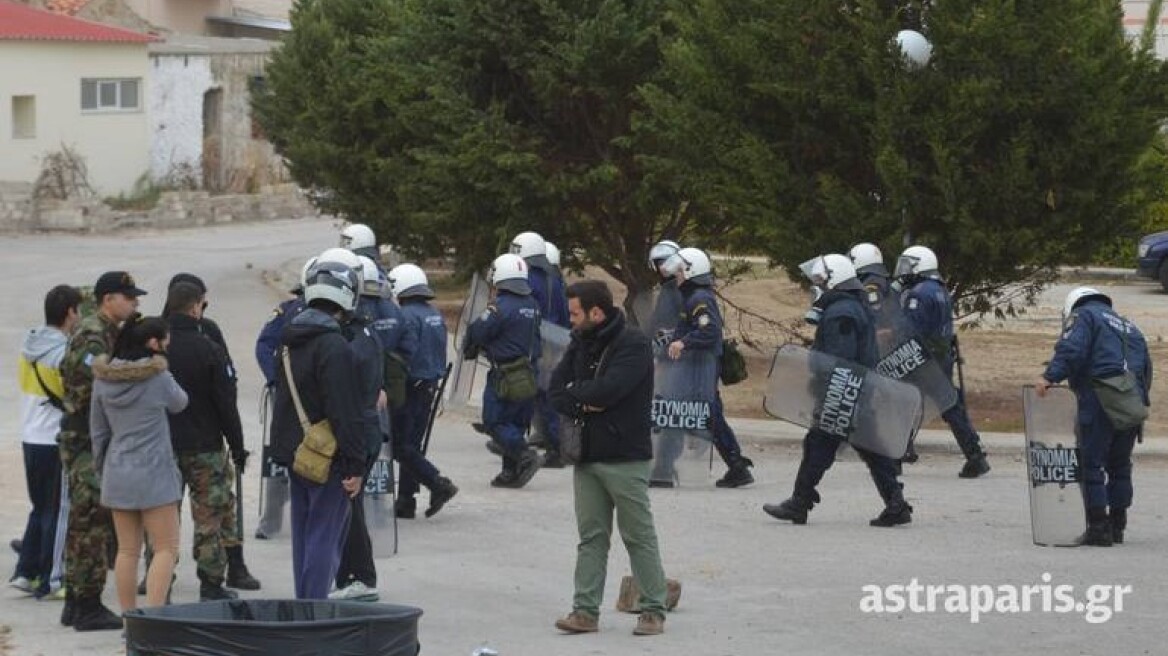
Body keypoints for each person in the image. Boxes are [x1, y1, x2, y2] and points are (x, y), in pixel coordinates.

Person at [549, 280, 668, 636]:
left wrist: (581, 395)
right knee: (591, 538)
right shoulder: (579, 342)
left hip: (624, 457)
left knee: (638, 535)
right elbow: (556, 391)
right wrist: (585, 399)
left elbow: (612, 389)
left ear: (596, 312)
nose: (570, 320)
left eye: (574, 313)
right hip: (586, 456)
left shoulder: (633, 344)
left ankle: (653, 610)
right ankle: (584, 611)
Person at [763, 255, 912, 527]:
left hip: (843, 393)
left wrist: (820, 379)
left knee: (819, 446)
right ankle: (896, 503)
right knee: (870, 450)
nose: (817, 286)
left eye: (820, 280)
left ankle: (800, 503)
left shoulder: (841, 311)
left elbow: (837, 359)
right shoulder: (851, 305)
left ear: (834, 281)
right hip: (856, 392)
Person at [269, 260, 367, 599]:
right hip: (329, 456)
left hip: (298, 455)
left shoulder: (288, 341)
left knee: (304, 535)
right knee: (325, 537)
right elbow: (345, 410)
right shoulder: (334, 346)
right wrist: (355, 464)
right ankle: (314, 612)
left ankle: (303, 605)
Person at [58, 271, 145, 631]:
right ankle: (88, 603)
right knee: (92, 523)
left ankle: (77, 601)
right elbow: (101, 385)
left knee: (83, 523)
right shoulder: (94, 334)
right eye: (129, 297)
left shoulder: (104, 330)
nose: (135, 302)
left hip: (86, 439)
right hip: (86, 441)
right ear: (108, 299)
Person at [163, 282, 259, 600]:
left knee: (163, 516)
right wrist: (238, 445)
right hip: (205, 446)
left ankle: (158, 579)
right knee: (209, 518)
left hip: (164, 446)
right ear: (195, 307)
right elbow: (225, 402)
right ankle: (211, 583)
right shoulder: (209, 348)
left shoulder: (156, 344)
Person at [1036, 287, 1152, 546]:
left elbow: (1072, 349)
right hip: (1132, 401)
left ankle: (1098, 527)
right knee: (1120, 464)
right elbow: (1146, 370)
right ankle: (1118, 525)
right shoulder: (1129, 326)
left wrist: (1049, 376)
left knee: (1090, 462)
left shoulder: (1084, 316)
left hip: (1098, 397)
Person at [89, 315, 188, 615]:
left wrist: (102, 468)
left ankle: (129, 618)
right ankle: (154, 619)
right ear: (153, 343)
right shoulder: (158, 378)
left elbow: (98, 431)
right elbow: (181, 402)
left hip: (118, 470)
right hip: (155, 472)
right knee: (165, 548)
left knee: (127, 550)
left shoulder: (102, 380)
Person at [893, 245, 990, 478]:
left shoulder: (919, 293)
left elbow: (911, 329)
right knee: (950, 404)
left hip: (921, 358)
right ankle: (975, 455)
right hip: (940, 356)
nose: (903, 271)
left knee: (899, 401)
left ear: (920, 266)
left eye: (908, 265)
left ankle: (896, 455)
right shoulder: (939, 289)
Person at [661, 248, 754, 488]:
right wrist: (674, 336)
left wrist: (683, 342)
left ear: (691, 271)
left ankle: (662, 469)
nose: (677, 276)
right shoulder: (694, 296)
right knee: (708, 415)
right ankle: (737, 466)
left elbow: (710, 331)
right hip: (696, 369)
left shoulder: (699, 298)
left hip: (697, 370)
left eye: (680, 271)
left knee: (676, 411)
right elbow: (695, 326)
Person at [11, 285, 82, 598]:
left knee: (40, 507)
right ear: (70, 312)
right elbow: (72, 396)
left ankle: (26, 571)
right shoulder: (62, 353)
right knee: (58, 509)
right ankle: (53, 580)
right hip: (54, 439)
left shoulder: (29, 346)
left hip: (30, 436)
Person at [331, 252, 388, 603]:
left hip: (358, 433)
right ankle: (352, 576)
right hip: (363, 431)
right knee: (349, 506)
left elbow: (351, 399)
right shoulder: (361, 330)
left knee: (349, 506)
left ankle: (360, 577)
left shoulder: (354, 339)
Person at [464, 253, 543, 488]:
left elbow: (478, 332)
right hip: (528, 372)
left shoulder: (500, 307)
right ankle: (510, 473)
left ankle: (525, 455)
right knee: (516, 422)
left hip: (504, 374)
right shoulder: (532, 305)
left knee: (494, 422)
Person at [388, 263, 458, 519]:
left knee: (399, 445)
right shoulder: (433, 313)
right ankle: (406, 500)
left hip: (409, 386)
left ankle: (437, 483)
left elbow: (405, 353)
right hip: (429, 386)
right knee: (412, 445)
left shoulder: (405, 316)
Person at [252, 259, 312, 539]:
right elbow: (265, 345)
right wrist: (277, 379)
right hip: (295, 397)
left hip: (300, 396)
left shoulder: (288, 311)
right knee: (284, 453)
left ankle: (279, 521)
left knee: (285, 452)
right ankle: (276, 519)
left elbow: (264, 345)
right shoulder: (288, 311)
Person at [849, 242, 918, 464]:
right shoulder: (880, 280)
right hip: (889, 344)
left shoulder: (871, 285)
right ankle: (901, 445)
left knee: (884, 396)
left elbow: (875, 315)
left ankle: (899, 446)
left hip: (881, 345)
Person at [511, 231, 569, 466]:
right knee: (546, 395)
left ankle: (517, 441)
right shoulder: (553, 279)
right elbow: (564, 315)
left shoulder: (527, 279)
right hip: (554, 340)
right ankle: (554, 445)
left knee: (531, 393)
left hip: (536, 342)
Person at [642, 239, 685, 487]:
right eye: (659, 263)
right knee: (671, 413)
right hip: (672, 360)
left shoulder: (674, 292)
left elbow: (666, 328)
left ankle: (664, 468)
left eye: (664, 262)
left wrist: (657, 353)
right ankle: (663, 466)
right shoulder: (674, 290)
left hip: (673, 362)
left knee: (671, 414)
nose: (662, 267)